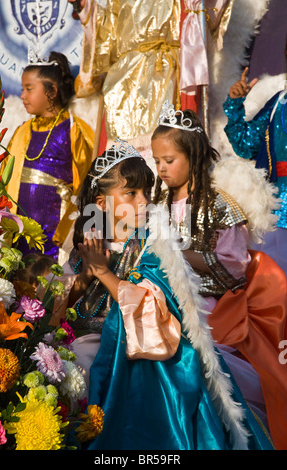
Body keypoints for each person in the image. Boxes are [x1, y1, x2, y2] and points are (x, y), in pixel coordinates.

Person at [61, 138, 273, 450]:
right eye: (131, 193)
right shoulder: (88, 241)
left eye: (146, 192)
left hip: (140, 347)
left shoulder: (153, 244)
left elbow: (150, 311)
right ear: (102, 203)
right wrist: (84, 275)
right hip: (87, 338)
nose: (144, 201)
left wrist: (104, 273)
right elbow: (61, 306)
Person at [151, 100, 287, 450]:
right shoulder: (158, 204)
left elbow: (233, 267)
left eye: (169, 161)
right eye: (157, 162)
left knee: (210, 378)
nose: (162, 169)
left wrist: (180, 254)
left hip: (216, 311)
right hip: (168, 305)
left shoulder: (219, 206)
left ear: (193, 156)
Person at [1, 51, 94, 263]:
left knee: (47, 276)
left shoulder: (72, 129)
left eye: (29, 89)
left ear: (51, 91)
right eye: (23, 89)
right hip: (22, 221)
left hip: (54, 223)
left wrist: (69, 227)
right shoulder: (22, 131)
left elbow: (86, 182)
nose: (22, 95)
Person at [223, 66, 287, 276]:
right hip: (276, 214)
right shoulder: (279, 102)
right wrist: (235, 104)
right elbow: (245, 145)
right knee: (275, 289)